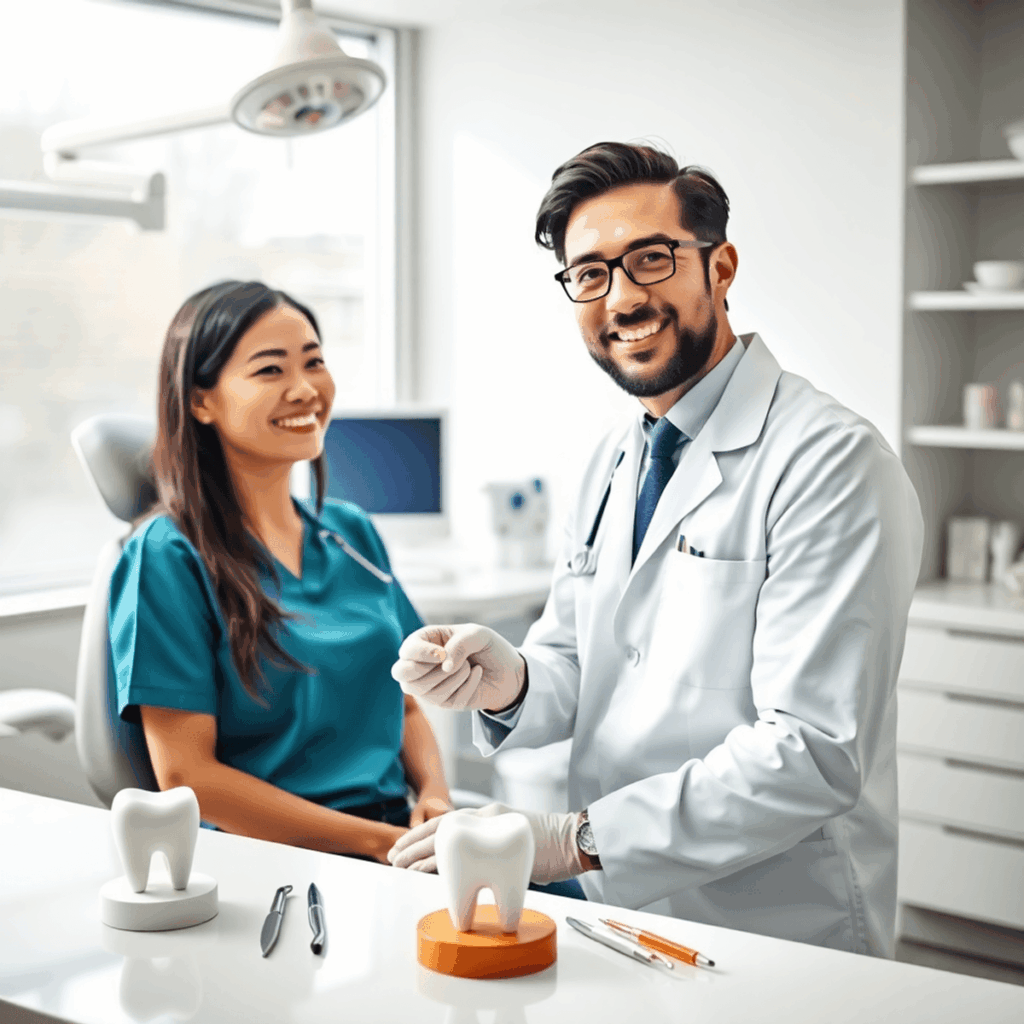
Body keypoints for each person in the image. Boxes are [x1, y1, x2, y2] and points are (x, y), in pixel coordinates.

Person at [387, 141, 924, 957]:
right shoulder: (615, 455)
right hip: (623, 911)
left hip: (776, 921)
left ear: (721, 266)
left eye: (651, 259)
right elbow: (587, 655)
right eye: (590, 274)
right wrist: (513, 682)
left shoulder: (831, 462)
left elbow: (812, 750)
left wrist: (571, 841)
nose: (623, 297)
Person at [108, 280, 452, 863]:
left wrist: (436, 801)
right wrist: (384, 845)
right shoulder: (167, 556)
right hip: (275, 862)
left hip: (395, 844)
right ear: (200, 401)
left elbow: (408, 703)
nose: (305, 390)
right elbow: (189, 778)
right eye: (270, 371)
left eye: (314, 362)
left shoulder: (350, 532)